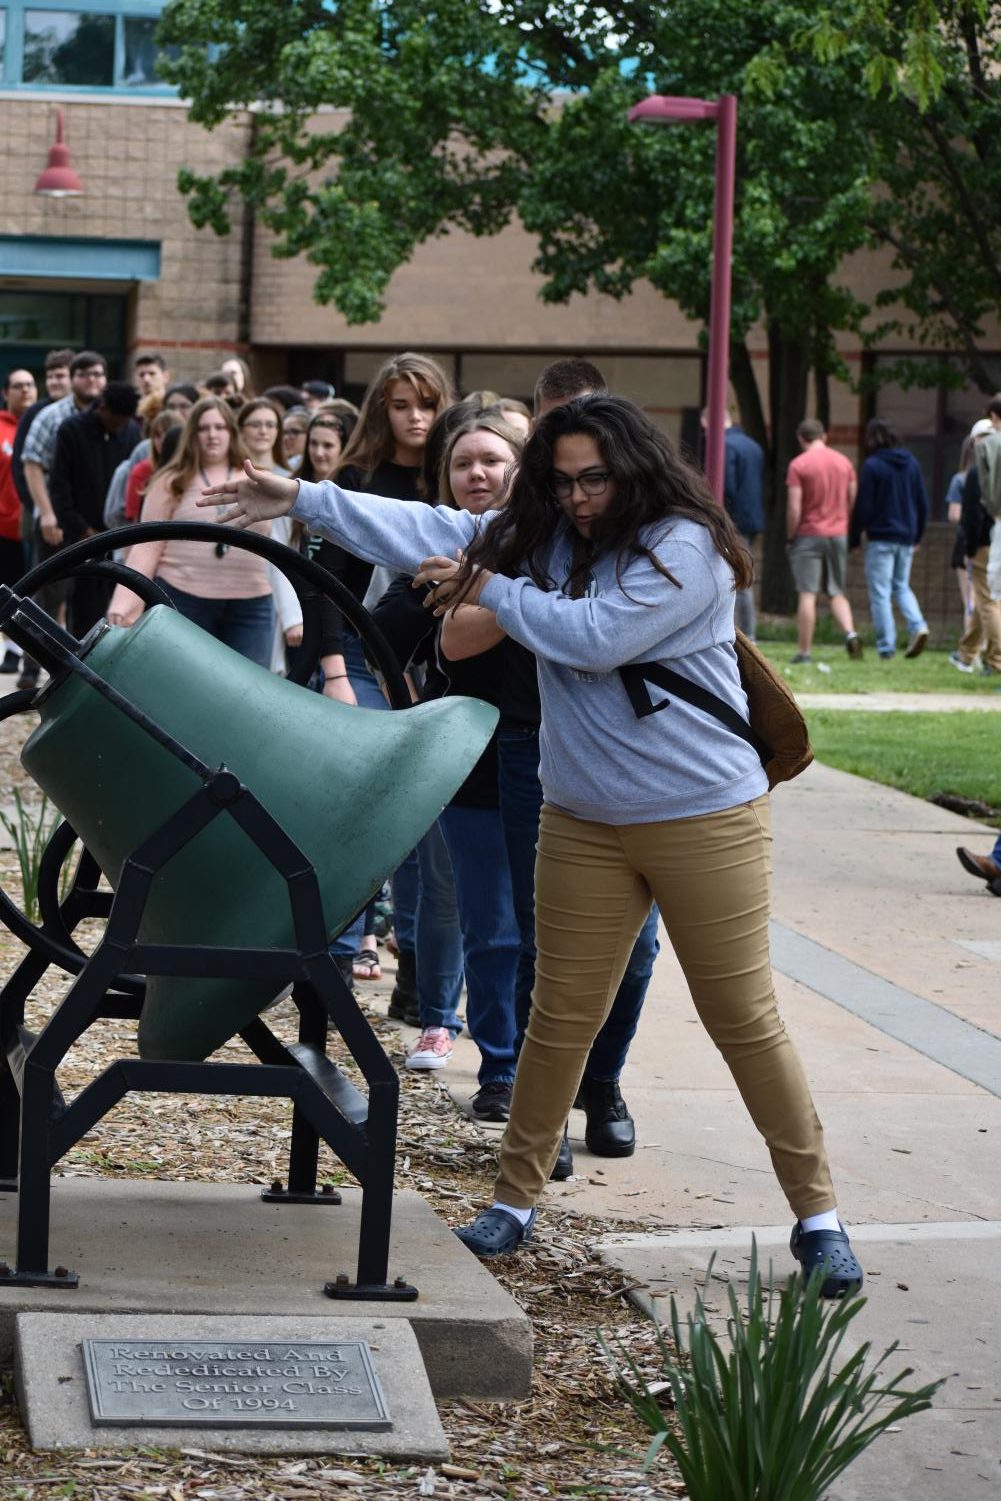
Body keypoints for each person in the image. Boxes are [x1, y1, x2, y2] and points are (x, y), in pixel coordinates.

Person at [200, 394, 865, 1298]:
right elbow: (434, 523)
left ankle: (818, 1217)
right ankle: (513, 1201)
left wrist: (488, 588)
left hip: (702, 814)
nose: (580, 497)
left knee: (741, 1018)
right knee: (559, 1014)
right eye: (561, 481)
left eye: (595, 477)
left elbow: (591, 638)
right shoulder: (541, 534)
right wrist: (303, 497)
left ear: (636, 465)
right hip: (582, 814)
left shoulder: (684, 547)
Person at [106, 396, 275, 667]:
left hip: (251, 604)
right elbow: (147, 545)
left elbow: (284, 544)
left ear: (231, 431)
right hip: (183, 598)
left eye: (220, 427)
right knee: (184, 686)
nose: (212, 435)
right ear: (191, 434)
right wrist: (126, 601)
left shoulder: (260, 478)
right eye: (204, 428)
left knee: (250, 697)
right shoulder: (171, 481)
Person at [49, 382, 142, 635]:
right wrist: (80, 529)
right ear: (102, 408)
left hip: (122, 536)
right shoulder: (72, 430)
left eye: (125, 421)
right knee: (84, 609)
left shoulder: (132, 431)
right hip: (83, 536)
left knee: (121, 610)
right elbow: (59, 486)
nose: (120, 426)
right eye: (116, 420)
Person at [849, 418, 929, 660]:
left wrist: (854, 538)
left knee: (880, 592)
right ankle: (918, 626)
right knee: (901, 586)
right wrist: (917, 535)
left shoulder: (873, 466)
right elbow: (922, 502)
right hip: (906, 537)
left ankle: (887, 647)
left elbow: (864, 506)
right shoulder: (911, 463)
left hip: (881, 537)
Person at [786, 419, 862, 663]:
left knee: (808, 594)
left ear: (800, 439)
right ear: (824, 437)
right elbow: (852, 497)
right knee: (836, 591)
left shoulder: (799, 465)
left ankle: (805, 652)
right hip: (838, 533)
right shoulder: (844, 462)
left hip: (809, 534)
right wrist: (842, 522)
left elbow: (794, 507)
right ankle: (850, 633)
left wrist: (791, 534)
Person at [701, 405, 764, 640]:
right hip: (752, 518)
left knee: (737, 578)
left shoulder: (723, 446)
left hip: (732, 520)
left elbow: (724, 486)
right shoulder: (752, 445)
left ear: (712, 422)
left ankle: (746, 635)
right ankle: (747, 632)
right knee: (743, 574)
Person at [951, 414, 1001, 676]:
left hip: (985, 542)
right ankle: (967, 652)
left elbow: (970, 515)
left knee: (988, 601)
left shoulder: (977, 472)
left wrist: (968, 549)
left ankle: (995, 660)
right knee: (988, 600)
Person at [0, 368, 38, 669]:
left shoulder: (43, 422)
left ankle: (23, 651)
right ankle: (11, 649)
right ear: (6, 393)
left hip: (33, 526)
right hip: (2, 524)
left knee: (30, 590)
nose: (25, 390)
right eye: (18, 386)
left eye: (29, 385)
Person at [944, 435, 976, 626]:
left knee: (969, 598)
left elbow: (954, 515)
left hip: (966, 541)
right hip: (992, 541)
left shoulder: (960, 479)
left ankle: (971, 649)